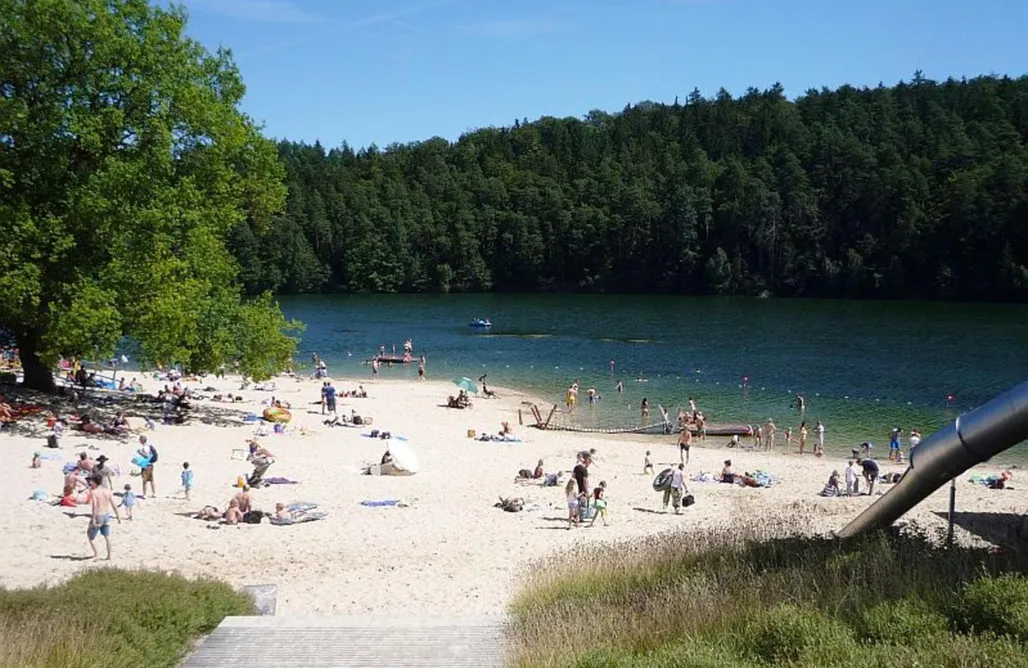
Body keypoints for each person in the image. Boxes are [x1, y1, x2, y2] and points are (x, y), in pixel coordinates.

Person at [86, 473, 121, 560]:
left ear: (95, 482)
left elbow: (95, 506)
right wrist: (118, 516)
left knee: (90, 536)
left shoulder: (94, 492)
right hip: (106, 515)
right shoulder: (107, 491)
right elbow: (114, 505)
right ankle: (109, 556)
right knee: (107, 537)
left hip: (98, 515)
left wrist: (93, 519)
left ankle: (96, 554)